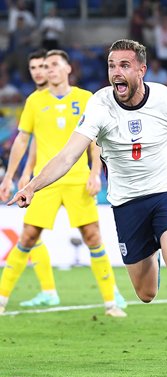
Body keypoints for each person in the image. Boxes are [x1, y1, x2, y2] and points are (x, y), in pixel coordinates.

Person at [7, 40, 167, 377]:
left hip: (166, 192)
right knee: (146, 293)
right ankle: (152, 251)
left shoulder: (165, 101)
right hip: (126, 204)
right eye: (111, 66)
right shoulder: (100, 106)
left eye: (124, 65)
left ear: (141, 70)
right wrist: (32, 186)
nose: (115, 73)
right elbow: (68, 156)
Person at [0, 49, 127, 317]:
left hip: (78, 179)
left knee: (92, 236)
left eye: (55, 65)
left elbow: (95, 139)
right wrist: (12, 176)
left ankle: (110, 303)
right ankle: (1, 300)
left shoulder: (85, 98)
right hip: (44, 182)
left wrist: (95, 172)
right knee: (28, 237)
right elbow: (24, 140)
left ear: (68, 68)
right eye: (46, 66)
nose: (49, 70)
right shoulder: (35, 101)